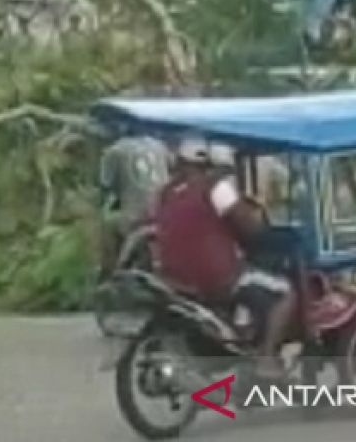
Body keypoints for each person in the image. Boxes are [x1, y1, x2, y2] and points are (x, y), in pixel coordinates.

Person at [154, 137, 296, 381]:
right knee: (285, 293)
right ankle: (267, 358)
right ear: (206, 163)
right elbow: (250, 229)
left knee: (251, 280)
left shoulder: (166, 193)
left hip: (173, 277)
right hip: (217, 277)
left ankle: (243, 335)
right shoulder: (216, 188)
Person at [97, 135, 169, 279]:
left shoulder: (115, 151)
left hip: (133, 217)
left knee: (106, 223)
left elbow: (106, 187)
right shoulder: (160, 145)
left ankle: (109, 274)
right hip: (164, 213)